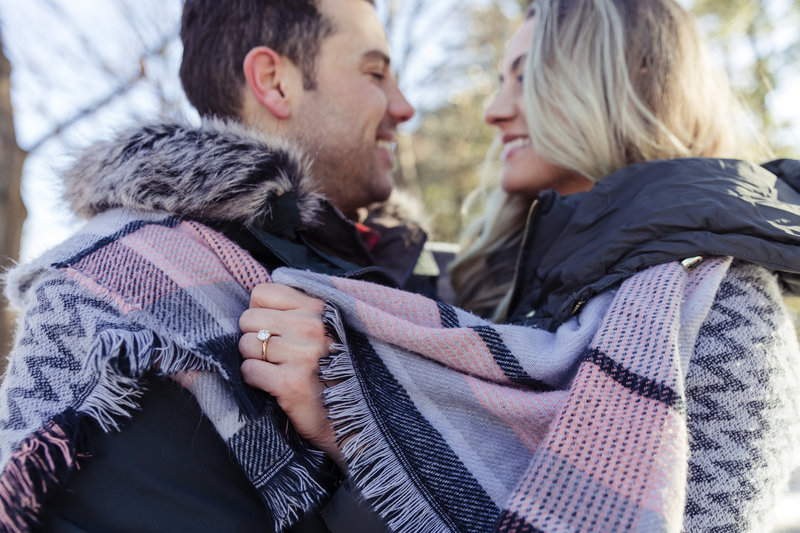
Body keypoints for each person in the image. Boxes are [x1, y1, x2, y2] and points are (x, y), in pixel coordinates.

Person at [239, 0, 800, 531]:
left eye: (526, 79)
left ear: (623, 86)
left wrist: (357, 428)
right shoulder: (483, 285)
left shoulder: (727, 311)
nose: (493, 110)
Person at [0, 0, 435, 531]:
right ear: (274, 82)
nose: (404, 105)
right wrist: (363, 436)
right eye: (375, 73)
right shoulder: (124, 301)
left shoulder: (407, 273)